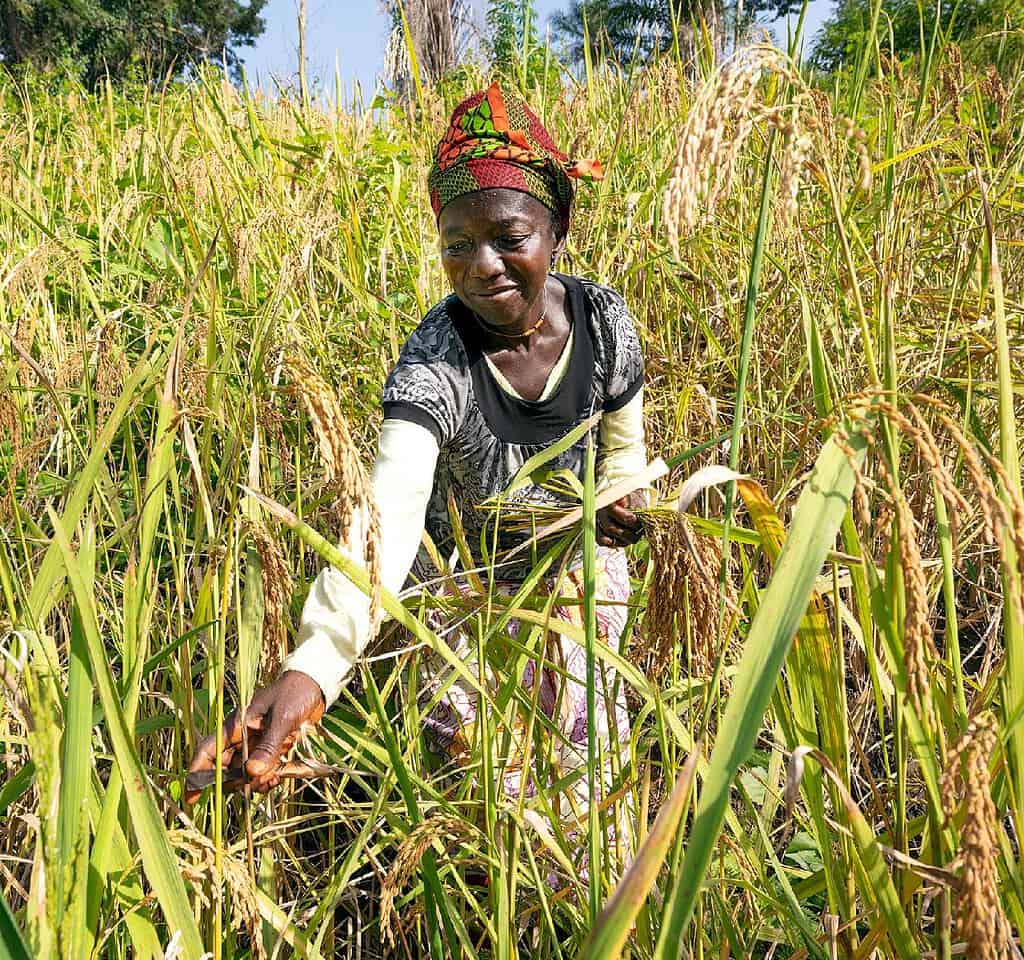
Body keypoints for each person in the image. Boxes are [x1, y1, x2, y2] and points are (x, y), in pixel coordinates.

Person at [186, 83, 647, 837]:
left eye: (509, 237)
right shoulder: (436, 365)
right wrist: (314, 669)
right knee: (485, 802)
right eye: (457, 244)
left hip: (575, 576)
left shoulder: (605, 324)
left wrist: (623, 500)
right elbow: (387, 521)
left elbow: (625, 453)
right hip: (461, 601)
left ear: (556, 226)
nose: (483, 266)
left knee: (588, 782)